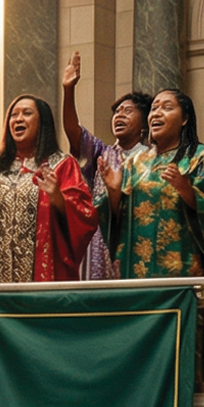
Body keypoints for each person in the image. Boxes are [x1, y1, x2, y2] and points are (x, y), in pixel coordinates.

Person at [0, 93, 97, 281]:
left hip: (45, 278)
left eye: (27, 113)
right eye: (14, 115)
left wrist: (58, 199)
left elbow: (85, 216)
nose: (18, 119)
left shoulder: (62, 165)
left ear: (42, 122)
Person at [99, 87, 204, 276]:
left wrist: (189, 193)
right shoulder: (134, 163)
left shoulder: (200, 157)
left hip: (182, 270)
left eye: (167, 107)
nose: (156, 113)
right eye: (154, 108)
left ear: (184, 119)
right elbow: (114, 223)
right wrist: (114, 193)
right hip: (137, 272)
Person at [59, 51, 150, 281]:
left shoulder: (152, 159)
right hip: (100, 245)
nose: (119, 115)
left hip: (137, 241)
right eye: (117, 112)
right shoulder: (102, 153)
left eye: (128, 111)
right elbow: (73, 131)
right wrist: (68, 90)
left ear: (145, 122)